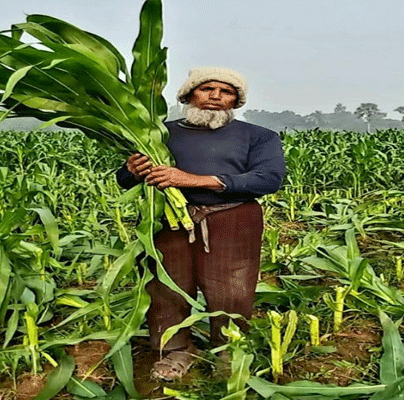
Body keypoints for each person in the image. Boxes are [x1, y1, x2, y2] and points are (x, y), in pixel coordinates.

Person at [115, 67, 286, 380]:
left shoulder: (259, 137)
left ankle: (228, 351)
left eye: (227, 92)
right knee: (167, 287)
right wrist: (132, 169)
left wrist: (196, 180)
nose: (216, 97)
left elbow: (268, 178)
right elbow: (124, 180)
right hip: (167, 220)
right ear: (188, 94)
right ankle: (175, 350)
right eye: (207, 88)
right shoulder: (157, 136)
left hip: (231, 219)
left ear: (236, 101)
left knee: (232, 290)